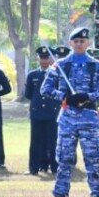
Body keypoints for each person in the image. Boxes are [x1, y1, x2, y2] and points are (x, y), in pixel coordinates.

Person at [43, 27, 99, 197]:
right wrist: (65, 96)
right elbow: (46, 89)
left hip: (89, 118)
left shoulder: (96, 66)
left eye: (83, 41)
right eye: (76, 41)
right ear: (70, 44)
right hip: (67, 118)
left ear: (88, 43)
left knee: (93, 161)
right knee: (64, 161)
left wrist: (87, 96)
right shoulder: (60, 65)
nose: (79, 44)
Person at [24, 46, 61, 176]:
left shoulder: (57, 74)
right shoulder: (32, 75)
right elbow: (28, 94)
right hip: (37, 112)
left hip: (52, 112)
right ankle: (34, 167)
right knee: (35, 141)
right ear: (37, 58)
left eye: (47, 58)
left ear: (51, 58)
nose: (44, 60)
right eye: (42, 58)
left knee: (53, 141)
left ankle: (55, 167)